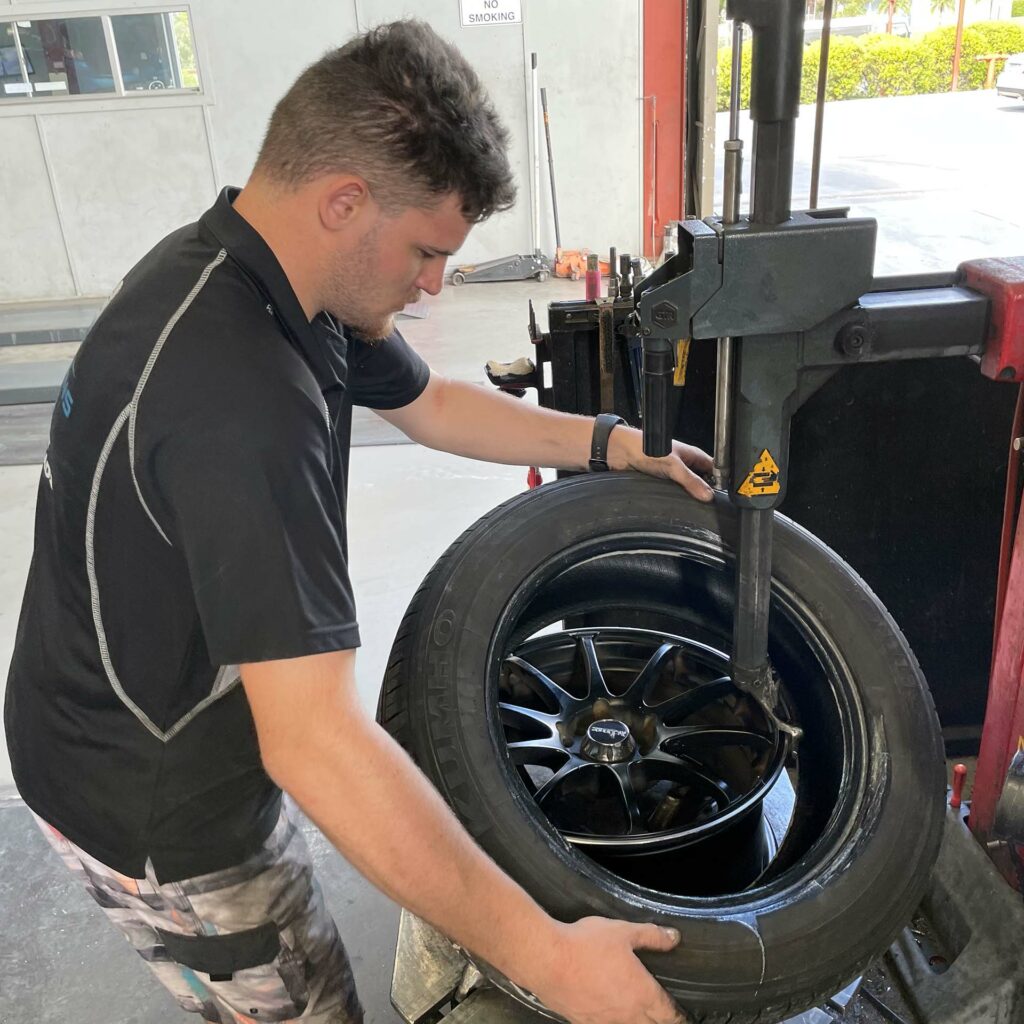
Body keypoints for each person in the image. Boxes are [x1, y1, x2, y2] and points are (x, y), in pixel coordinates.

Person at [4, 19, 713, 1024]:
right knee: (304, 1000)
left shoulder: (270, 273)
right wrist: (552, 960)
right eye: (427, 251)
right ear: (342, 200)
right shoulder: (237, 396)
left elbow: (431, 405)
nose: (434, 284)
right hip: (154, 805)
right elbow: (316, 743)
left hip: (139, 697)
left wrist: (604, 442)